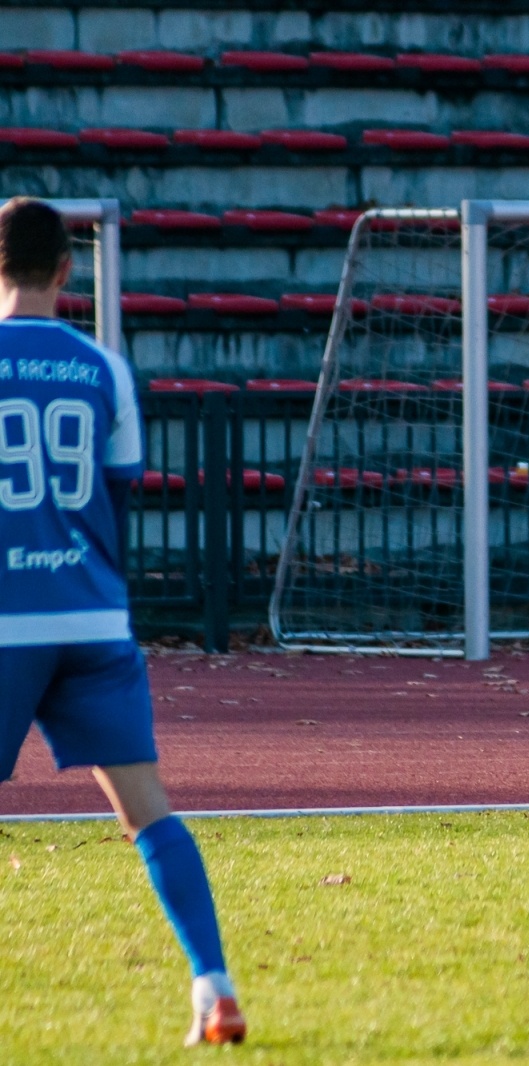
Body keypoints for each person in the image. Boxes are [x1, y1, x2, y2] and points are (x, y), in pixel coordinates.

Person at [0, 198, 246, 1045]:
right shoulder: (103, 367)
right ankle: (213, 985)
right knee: (148, 813)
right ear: (68, 270)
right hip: (92, 618)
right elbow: (120, 488)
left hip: (4, 621)